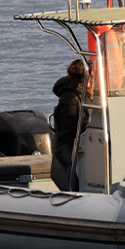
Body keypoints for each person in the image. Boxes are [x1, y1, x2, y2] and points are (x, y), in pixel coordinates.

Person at [51, 59, 88, 190]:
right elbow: (70, 131)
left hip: (81, 140)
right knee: (74, 162)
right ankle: (72, 191)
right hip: (67, 143)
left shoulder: (86, 95)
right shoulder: (70, 98)